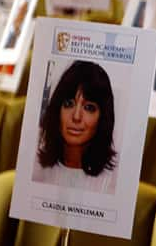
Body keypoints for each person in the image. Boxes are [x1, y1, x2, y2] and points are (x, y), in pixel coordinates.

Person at [32, 60, 118, 194]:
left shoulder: (114, 181)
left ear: (103, 117)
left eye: (89, 107)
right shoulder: (34, 168)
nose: (76, 116)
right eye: (68, 104)